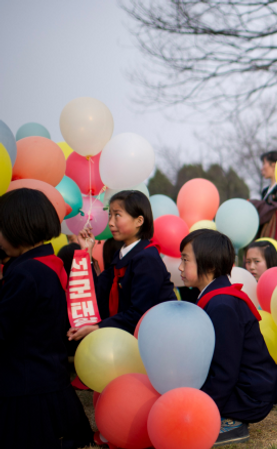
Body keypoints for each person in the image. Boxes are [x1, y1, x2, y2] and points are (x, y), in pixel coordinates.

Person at [0, 189, 94, 449]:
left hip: (25, 390)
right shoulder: (48, 263)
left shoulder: (25, 274)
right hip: (48, 380)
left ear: (17, 228)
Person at [179, 229, 277, 446]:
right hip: (238, 386)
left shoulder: (222, 305)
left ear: (211, 265)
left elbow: (225, 372)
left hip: (248, 396)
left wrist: (198, 411)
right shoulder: (215, 298)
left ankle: (230, 422)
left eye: (185, 260)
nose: (180, 267)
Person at [68, 191, 176, 340]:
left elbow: (139, 313)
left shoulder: (147, 259)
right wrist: (86, 251)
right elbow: (97, 292)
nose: (111, 222)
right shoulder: (121, 255)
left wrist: (97, 328)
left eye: (117, 215)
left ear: (139, 221)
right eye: (110, 215)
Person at [250, 151, 277, 266]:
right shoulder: (265, 191)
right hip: (264, 235)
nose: (262, 168)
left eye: (264, 164)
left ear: (274, 165)